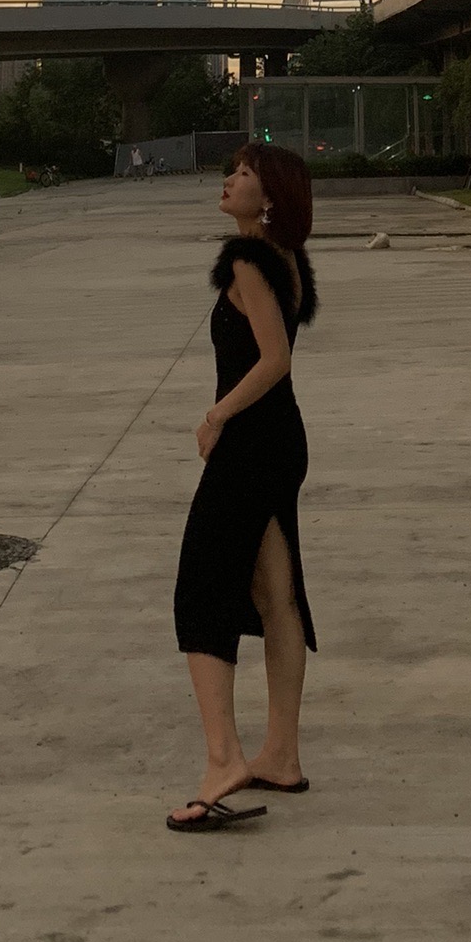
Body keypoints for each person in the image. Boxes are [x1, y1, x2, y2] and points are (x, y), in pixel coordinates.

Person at [167, 141, 319, 832]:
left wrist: (216, 417)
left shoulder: (248, 262)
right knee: (276, 595)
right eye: (232, 171)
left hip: (252, 443)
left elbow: (275, 359)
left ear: (272, 196)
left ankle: (223, 759)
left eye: (245, 174)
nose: (229, 181)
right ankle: (280, 755)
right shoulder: (286, 259)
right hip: (282, 441)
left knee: (201, 589)